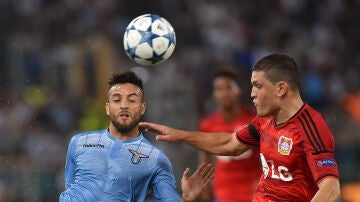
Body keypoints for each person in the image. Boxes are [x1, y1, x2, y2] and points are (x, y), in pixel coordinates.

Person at [139, 53, 341, 201]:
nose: (252, 93)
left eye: (258, 86)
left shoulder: (311, 127)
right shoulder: (265, 121)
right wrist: (181, 135)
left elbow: (331, 187)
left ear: (281, 88)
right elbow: (230, 142)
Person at [59, 70, 214, 202]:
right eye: (117, 100)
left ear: (142, 108)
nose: (124, 105)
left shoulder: (156, 160)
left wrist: (187, 199)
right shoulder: (79, 143)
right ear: (108, 108)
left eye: (132, 100)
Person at [198, 68, 261, 202]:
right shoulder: (208, 125)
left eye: (229, 87)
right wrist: (204, 186)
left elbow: (268, 154)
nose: (224, 93)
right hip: (223, 192)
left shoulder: (254, 121)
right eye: (219, 89)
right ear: (214, 93)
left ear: (238, 90)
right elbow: (205, 157)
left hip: (253, 191)